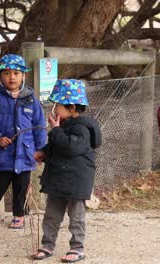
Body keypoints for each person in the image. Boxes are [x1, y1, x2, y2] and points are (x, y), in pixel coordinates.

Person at [32, 79, 102, 262]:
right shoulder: (65, 127)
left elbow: (71, 147)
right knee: (51, 216)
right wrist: (43, 153)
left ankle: (77, 248)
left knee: (76, 217)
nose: (54, 109)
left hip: (76, 182)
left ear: (71, 107)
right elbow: (57, 146)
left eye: (57, 105)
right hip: (58, 180)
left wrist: (55, 130)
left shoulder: (82, 128)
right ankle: (47, 245)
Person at [0, 54, 46, 229]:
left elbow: (39, 125)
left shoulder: (31, 100)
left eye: (16, 73)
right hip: (3, 153)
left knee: (21, 188)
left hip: (25, 154)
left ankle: (19, 215)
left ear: (23, 75)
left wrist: (41, 150)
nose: (12, 77)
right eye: (7, 73)